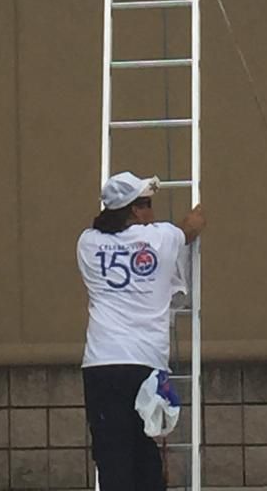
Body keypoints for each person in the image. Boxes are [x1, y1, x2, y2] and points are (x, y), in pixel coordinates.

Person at [76, 171, 207, 491]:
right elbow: (191, 228)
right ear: (135, 210)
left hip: (102, 363)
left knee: (112, 453)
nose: (152, 211)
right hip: (146, 363)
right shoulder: (160, 238)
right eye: (147, 204)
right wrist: (199, 211)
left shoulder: (87, 242)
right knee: (144, 448)